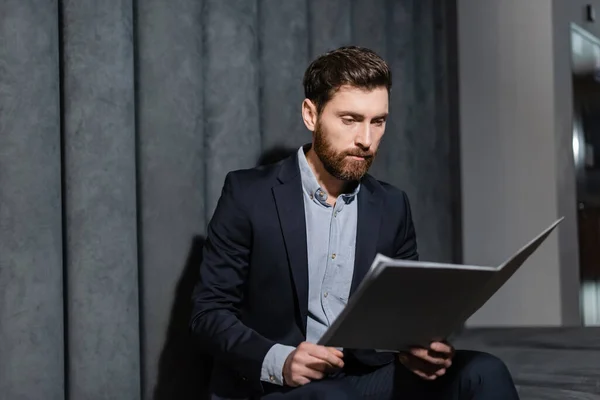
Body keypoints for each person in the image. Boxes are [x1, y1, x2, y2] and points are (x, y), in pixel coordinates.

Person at [190, 46, 520, 400]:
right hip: (279, 387)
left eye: (378, 122)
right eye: (350, 120)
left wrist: (421, 348)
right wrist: (280, 360)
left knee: (484, 372)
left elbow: (408, 313)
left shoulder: (392, 205)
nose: (366, 140)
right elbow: (208, 314)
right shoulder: (248, 193)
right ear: (310, 115)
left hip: (364, 377)